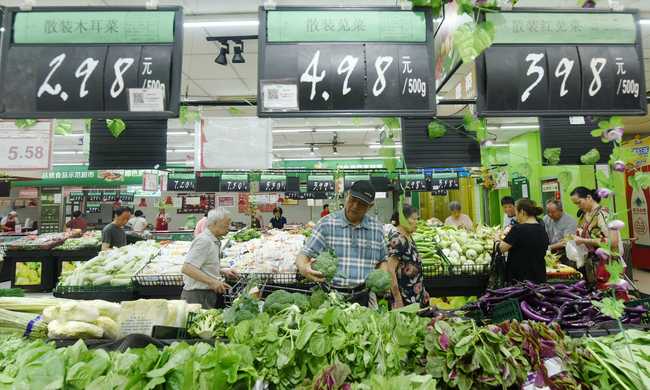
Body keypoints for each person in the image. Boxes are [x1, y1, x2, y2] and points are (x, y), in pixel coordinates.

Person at [296, 181, 386, 306]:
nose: (354, 206)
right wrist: (304, 269)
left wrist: (382, 278)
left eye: (361, 204)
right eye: (352, 199)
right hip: (330, 297)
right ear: (347, 195)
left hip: (363, 296)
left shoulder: (377, 229)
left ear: (370, 206)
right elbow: (303, 255)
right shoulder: (326, 224)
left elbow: (383, 260)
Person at [181, 208, 238, 309]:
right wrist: (213, 282)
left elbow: (203, 264)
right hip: (197, 296)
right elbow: (187, 268)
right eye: (227, 224)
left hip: (205, 294)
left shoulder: (213, 240)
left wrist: (222, 271)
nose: (229, 227)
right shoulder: (204, 241)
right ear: (215, 223)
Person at [570, 187, 621, 289]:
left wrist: (584, 240)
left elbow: (613, 242)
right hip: (592, 266)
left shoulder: (603, 214)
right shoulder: (586, 215)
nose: (578, 206)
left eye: (579, 203)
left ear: (588, 197)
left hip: (607, 265)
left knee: (609, 297)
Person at [381, 205, 428, 308]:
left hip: (415, 295)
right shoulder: (398, 240)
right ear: (403, 220)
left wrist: (422, 291)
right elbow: (390, 269)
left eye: (417, 219)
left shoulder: (408, 236)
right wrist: (398, 298)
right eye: (414, 219)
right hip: (404, 299)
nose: (417, 222)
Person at [496, 199, 549, 284]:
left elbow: (501, 248)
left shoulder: (517, 229)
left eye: (516, 212)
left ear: (523, 212)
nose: (516, 216)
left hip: (520, 279)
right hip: (539, 276)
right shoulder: (542, 229)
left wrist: (497, 239)